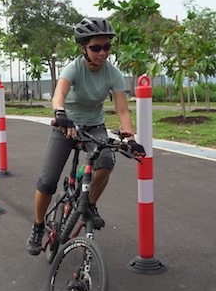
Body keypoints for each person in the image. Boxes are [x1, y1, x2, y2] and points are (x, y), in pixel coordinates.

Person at [26, 17, 146, 255]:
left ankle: (89, 203)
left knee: (106, 162)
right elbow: (59, 94)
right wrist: (60, 113)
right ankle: (38, 226)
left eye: (107, 47)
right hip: (67, 125)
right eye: (96, 48)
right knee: (48, 182)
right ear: (83, 48)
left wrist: (130, 138)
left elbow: (122, 109)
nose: (103, 53)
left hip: (94, 126)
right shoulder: (74, 68)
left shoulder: (113, 74)